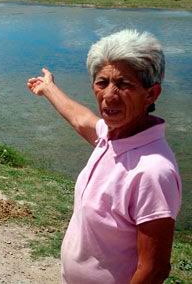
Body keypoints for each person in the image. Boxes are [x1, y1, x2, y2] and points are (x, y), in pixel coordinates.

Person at [27, 29, 181, 284]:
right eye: (102, 83)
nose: (109, 95)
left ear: (151, 94)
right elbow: (80, 119)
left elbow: (154, 269)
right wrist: (49, 89)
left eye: (124, 84)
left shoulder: (153, 172)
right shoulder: (110, 137)